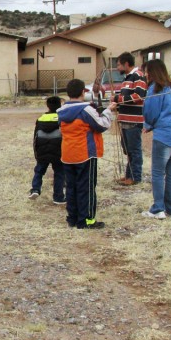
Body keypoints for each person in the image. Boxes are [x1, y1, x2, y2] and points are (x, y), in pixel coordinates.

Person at [58, 79, 116, 229]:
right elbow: (101, 125)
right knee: (87, 188)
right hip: (85, 154)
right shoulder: (86, 110)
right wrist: (109, 111)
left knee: (71, 188)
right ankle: (87, 220)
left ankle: (73, 218)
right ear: (83, 92)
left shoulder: (61, 111)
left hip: (67, 154)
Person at [141, 59, 171, 219]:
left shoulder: (156, 89)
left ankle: (158, 209)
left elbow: (151, 112)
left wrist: (148, 124)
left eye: (147, 71)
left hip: (165, 135)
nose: (146, 74)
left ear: (152, 72)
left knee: (157, 172)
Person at [111, 52, 148, 185]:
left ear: (127, 64)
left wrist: (118, 99)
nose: (118, 68)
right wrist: (117, 103)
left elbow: (139, 96)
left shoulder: (138, 76)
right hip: (125, 119)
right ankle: (128, 175)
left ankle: (135, 177)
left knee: (134, 150)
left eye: (119, 65)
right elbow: (124, 98)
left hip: (134, 121)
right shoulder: (127, 78)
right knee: (128, 150)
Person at [29, 96, 66, 204]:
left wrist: (36, 154)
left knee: (39, 170)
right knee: (59, 173)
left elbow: (35, 137)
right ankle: (58, 197)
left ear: (47, 106)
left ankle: (35, 189)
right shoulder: (62, 118)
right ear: (60, 105)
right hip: (58, 151)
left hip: (42, 150)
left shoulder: (40, 119)